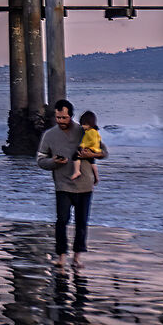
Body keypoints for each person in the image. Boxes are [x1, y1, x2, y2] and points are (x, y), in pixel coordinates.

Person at [35, 98, 104, 263]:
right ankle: (61, 256)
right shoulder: (49, 135)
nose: (61, 121)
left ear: (71, 116)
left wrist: (91, 155)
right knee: (62, 221)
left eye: (64, 118)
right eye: (58, 118)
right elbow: (40, 159)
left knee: (81, 222)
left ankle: (78, 256)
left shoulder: (85, 131)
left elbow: (104, 152)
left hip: (84, 185)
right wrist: (53, 162)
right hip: (63, 185)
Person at [68, 110, 104, 190]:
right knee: (92, 163)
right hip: (96, 149)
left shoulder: (88, 132)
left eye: (84, 125)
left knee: (75, 156)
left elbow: (85, 141)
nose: (83, 127)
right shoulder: (95, 131)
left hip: (90, 149)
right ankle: (96, 177)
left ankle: (77, 171)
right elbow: (98, 140)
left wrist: (82, 146)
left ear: (89, 124)